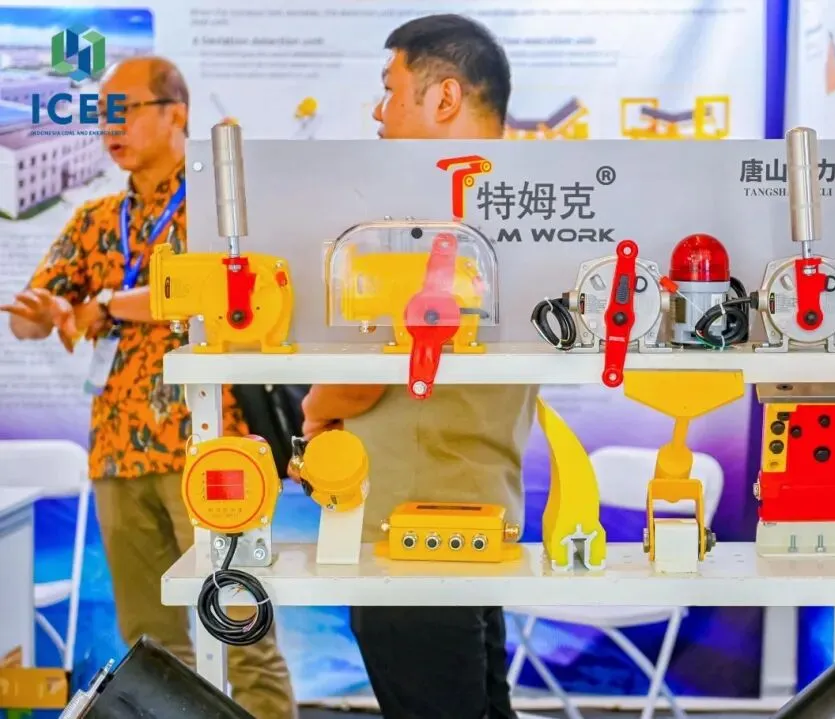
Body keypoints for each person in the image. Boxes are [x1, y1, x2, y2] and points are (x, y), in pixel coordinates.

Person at [1, 57, 297, 719]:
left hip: (214, 450)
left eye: (126, 110)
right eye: (104, 115)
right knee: (153, 642)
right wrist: (41, 314)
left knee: (243, 632)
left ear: (176, 113)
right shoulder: (96, 220)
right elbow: (34, 316)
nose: (112, 128)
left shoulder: (223, 212)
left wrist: (103, 305)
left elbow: (212, 287)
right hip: (118, 454)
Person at [301, 14, 534, 719]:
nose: (379, 111)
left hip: (405, 526)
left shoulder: (410, 225)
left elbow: (363, 375)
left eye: (390, 90)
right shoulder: (525, 215)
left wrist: (313, 412)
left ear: (445, 97)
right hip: (484, 510)